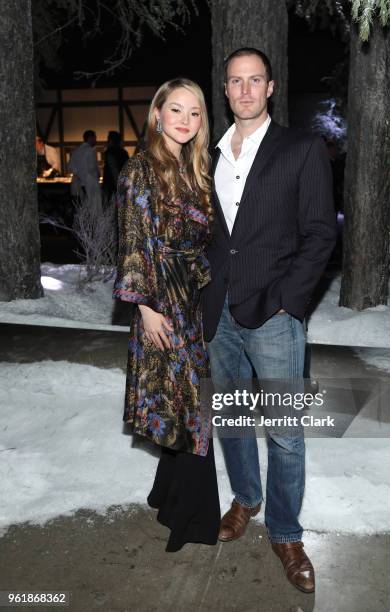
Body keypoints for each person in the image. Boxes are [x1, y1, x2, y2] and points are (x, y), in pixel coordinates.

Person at [203, 48, 337, 592]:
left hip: (275, 315)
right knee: (232, 420)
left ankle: (286, 533)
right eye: (235, 81)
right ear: (226, 89)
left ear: (271, 86)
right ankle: (245, 500)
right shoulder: (206, 154)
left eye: (254, 80)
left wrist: (289, 301)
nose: (245, 90)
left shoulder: (301, 148)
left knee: (285, 434)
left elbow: (321, 234)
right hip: (218, 313)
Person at [113, 78, 220, 552]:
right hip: (162, 302)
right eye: (175, 109)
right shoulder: (140, 170)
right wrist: (145, 308)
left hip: (190, 299)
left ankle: (167, 496)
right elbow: (134, 244)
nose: (184, 119)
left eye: (194, 112)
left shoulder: (195, 166)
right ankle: (192, 520)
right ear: (157, 113)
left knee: (182, 403)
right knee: (195, 411)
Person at [68, 130, 100, 199]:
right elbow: (92, 168)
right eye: (95, 138)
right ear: (90, 138)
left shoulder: (76, 150)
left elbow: (70, 167)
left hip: (77, 184)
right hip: (89, 184)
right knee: (90, 207)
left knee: (79, 207)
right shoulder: (90, 150)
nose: (96, 140)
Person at [102, 131, 129, 202]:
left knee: (111, 204)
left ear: (110, 140)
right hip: (122, 182)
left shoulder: (109, 152)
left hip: (112, 183)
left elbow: (113, 168)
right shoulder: (124, 152)